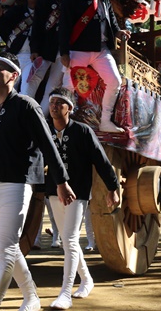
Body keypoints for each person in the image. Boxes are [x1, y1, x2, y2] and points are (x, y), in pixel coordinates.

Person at [0, 52, 75, 311]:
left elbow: (47, 144)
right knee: (8, 248)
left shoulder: (27, 106)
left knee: (5, 250)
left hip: (17, 185)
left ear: (14, 76)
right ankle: (31, 297)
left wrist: (61, 181)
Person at [43, 88, 119, 309]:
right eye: (52, 102)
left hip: (78, 192)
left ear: (70, 108)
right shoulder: (45, 130)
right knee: (69, 241)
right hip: (53, 191)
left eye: (59, 103)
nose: (54, 106)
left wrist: (113, 187)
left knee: (69, 238)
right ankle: (86, 279)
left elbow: (101, 161)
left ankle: (65, 292)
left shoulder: (83, 131)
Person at [58, 0, 131, 132]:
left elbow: (110, 15)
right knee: (68, 86)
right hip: (78, 49)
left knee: (114, 81)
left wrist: (117, 31)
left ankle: (105, 121)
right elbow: (64, 25)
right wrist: (64, 52)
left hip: (101, 48)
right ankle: (62, 121)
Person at [0, 0, 45, 97]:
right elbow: (3, 29)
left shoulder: (45, 14)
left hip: (32, 58)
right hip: (14, 55)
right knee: (7, 90)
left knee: (26, 91)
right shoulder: (17, 11)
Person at [29, 0, 67, 113]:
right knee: (32, 81)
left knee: (53, 86)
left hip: (65, 50)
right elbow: (37, 26)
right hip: (45, 48)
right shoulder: (44, 0)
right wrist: (34, 49)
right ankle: (23, 114)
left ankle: (42, 118)